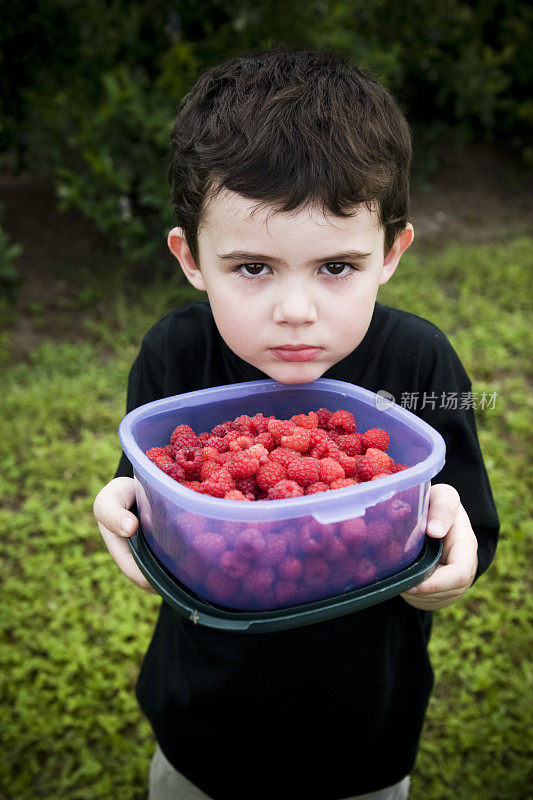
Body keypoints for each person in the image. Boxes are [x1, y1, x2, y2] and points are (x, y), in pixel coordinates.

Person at [93, 48, 499, 800]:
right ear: (191, 258)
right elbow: (151, 485)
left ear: (389, 253)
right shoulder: (175, 355)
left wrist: (451, 560)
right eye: (252, 267)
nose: (295, 310)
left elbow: (466, 520)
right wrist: (117, 504)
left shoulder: (419, 367)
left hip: (363, 733)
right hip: (202, 727)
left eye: (336, 267)